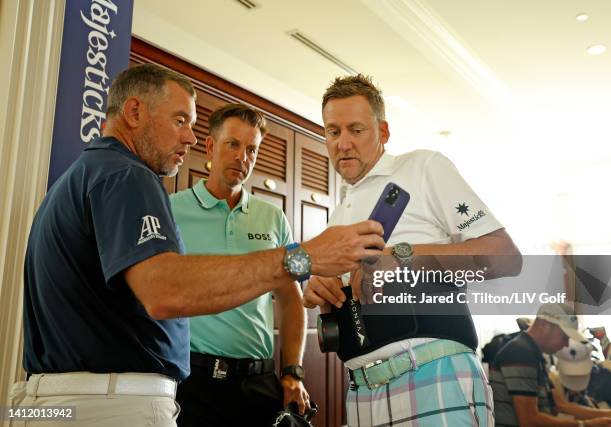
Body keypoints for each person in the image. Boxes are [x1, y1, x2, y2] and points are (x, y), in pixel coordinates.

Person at [12, 64, 385, 427]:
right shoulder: (128, 175)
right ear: (135, 111)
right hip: (111, 403)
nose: (189, 138)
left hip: (71, 398)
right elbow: (166, 290)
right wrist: (303, 257)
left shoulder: (86, 174)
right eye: (180, 121)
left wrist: (292, 371)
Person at [302, 74, 522, 426]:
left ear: (383, 132)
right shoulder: (339, 214)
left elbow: (506, 256)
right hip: (361, 392)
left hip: (433, 378)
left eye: (355, 130)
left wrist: (401, 254)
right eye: (333, 131)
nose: (343, 143)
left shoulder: (423, 167)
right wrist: (322, 289)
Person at [170, 104, 308, 426]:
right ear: (210, 146)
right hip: (191, 383)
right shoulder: (171, 210)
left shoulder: (274, 218)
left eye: (252, 150)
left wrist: (292, 373)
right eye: (233, 144)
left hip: (257, 383)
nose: (242, 157)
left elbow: (291, 301)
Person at [490, 303, 611, 426]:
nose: (566, 344)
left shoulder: (534, 355)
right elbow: (529, 420)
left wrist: (607, 415)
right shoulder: (521, 353)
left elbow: (560, 405)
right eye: (564, 337)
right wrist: (584, 424)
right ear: (544, 325)